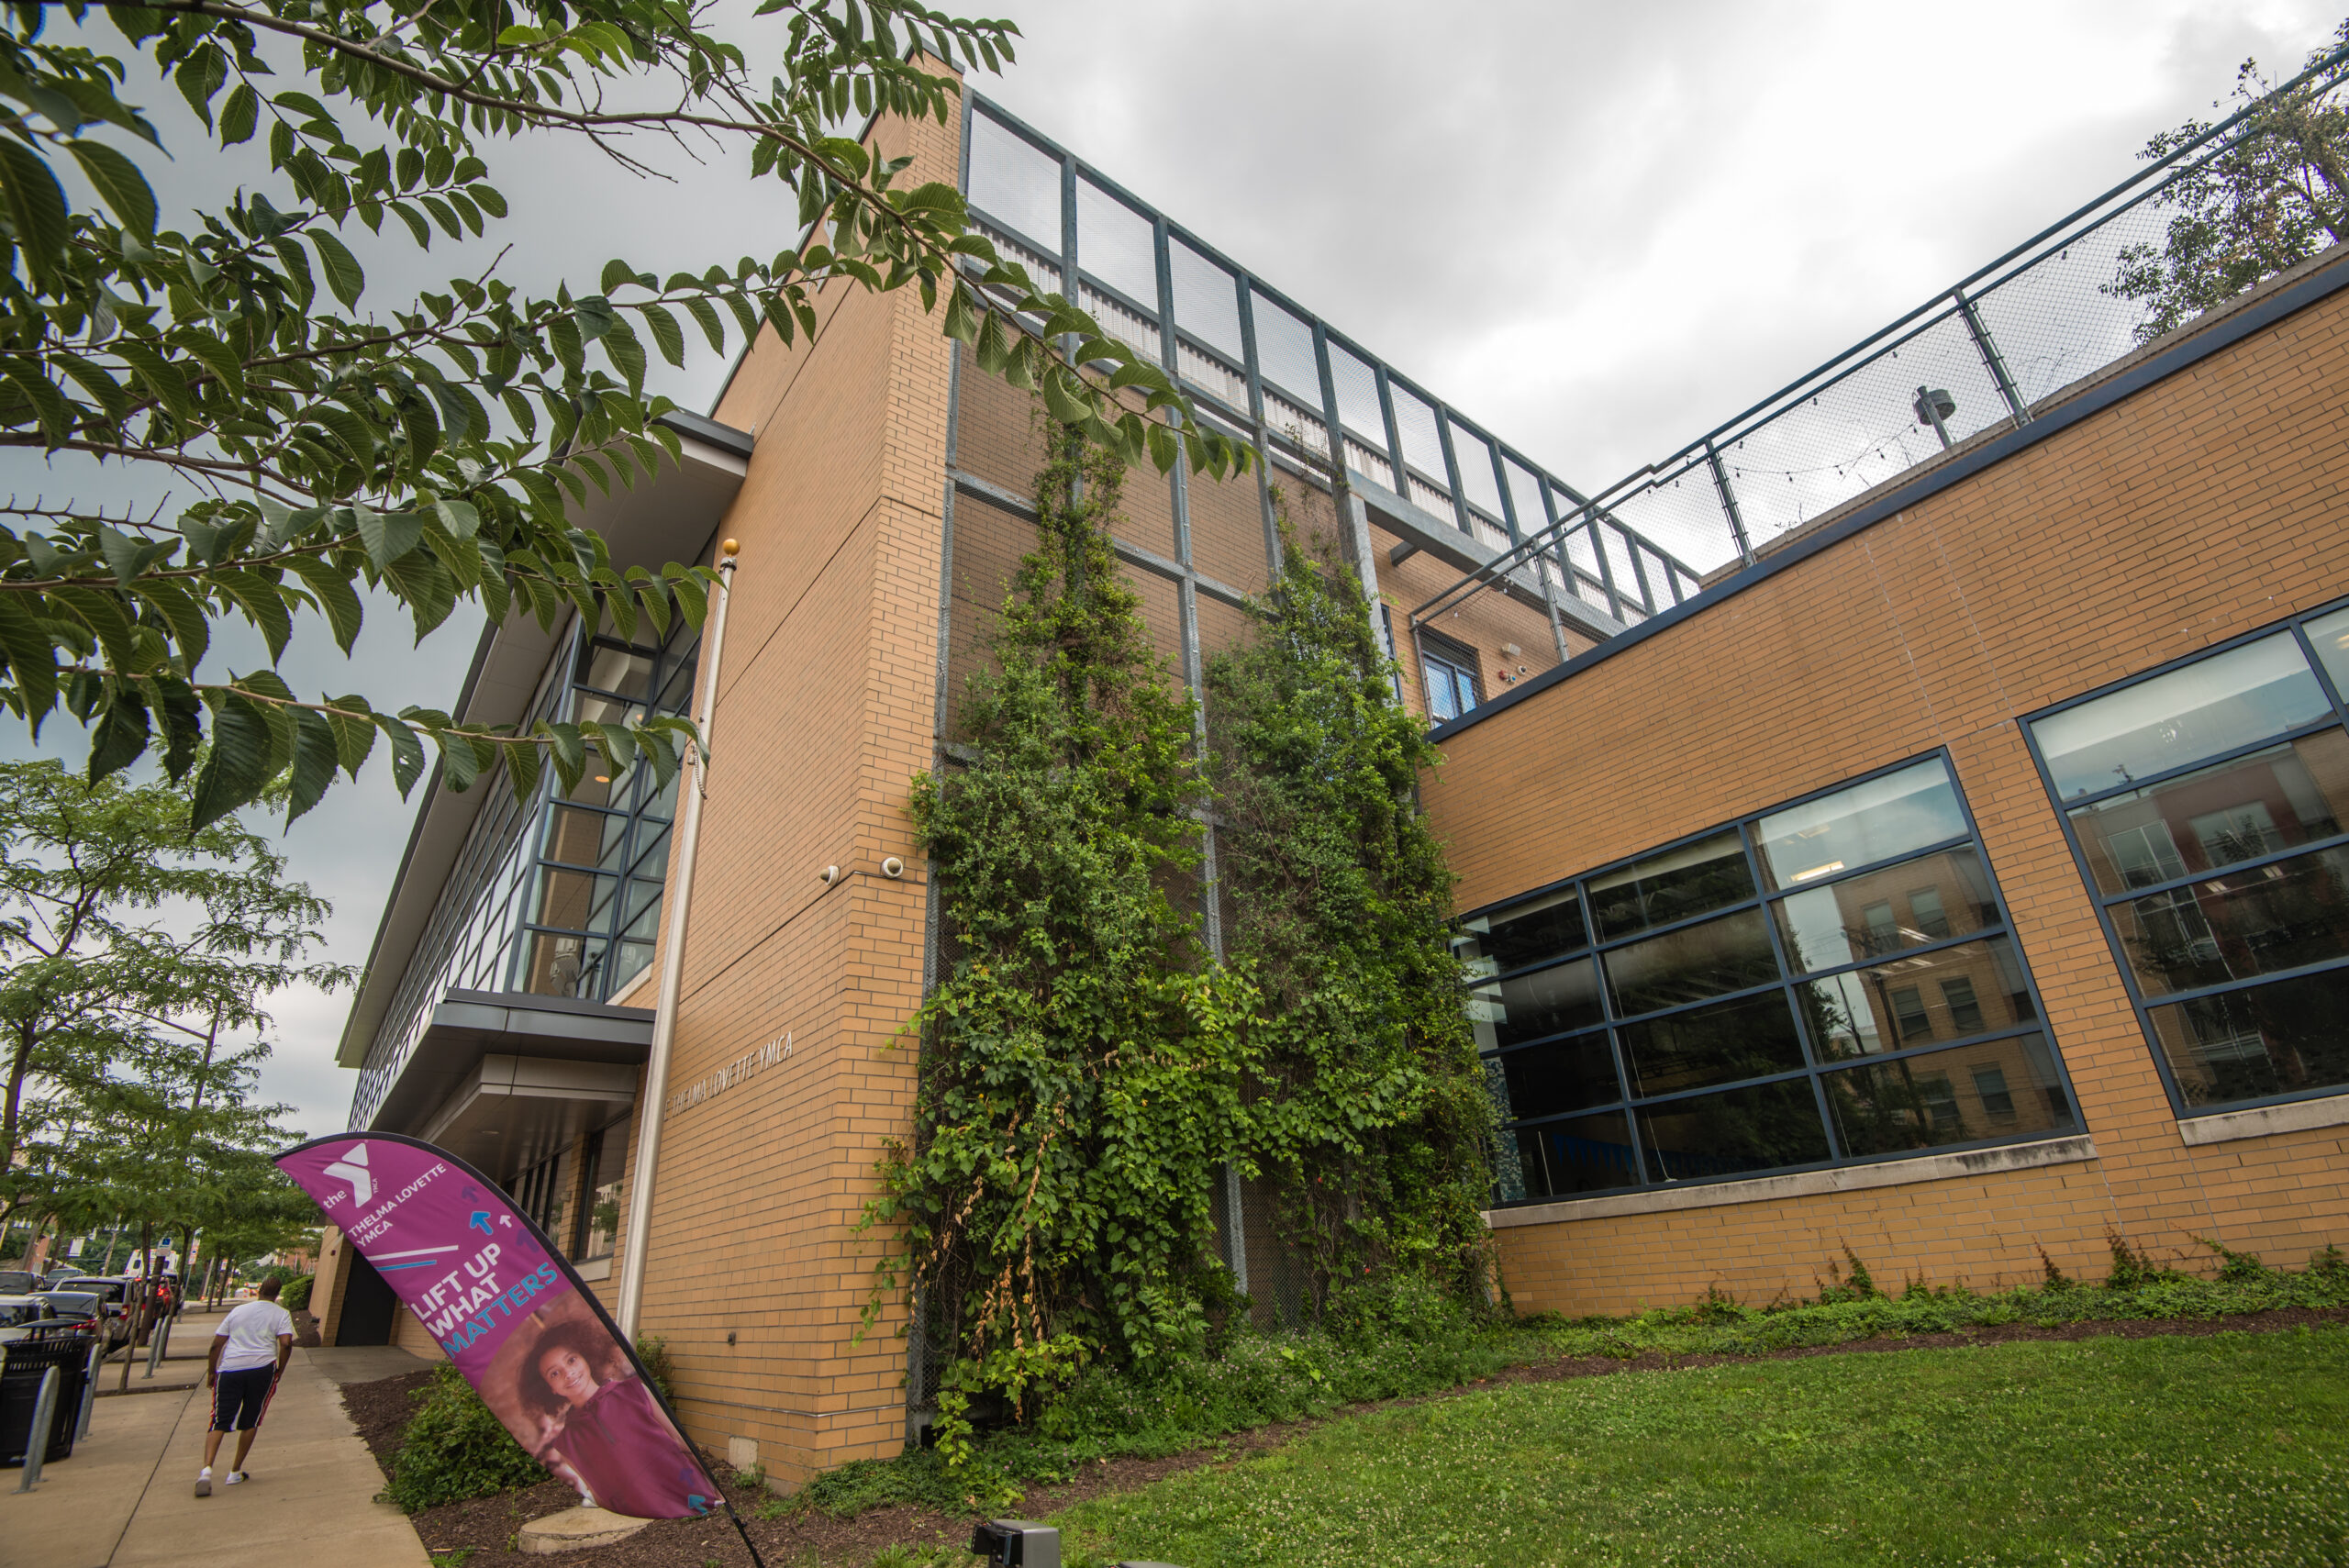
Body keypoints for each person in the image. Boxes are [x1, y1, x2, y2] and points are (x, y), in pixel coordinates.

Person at [521, 1320, 707, 1518]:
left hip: (689, 1495)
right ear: (551, 1388)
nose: (568, 1373)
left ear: (585, 1356)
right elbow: (598, 1493)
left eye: (571, 1360)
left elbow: (680, 1442)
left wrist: (713, 1488)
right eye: (555, 1373)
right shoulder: (566, 1442)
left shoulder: (634, 1391)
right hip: (640, 1519)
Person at [196, 1274, 294, 1496]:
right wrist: (280, 1369)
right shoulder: (281, 1314)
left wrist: (212, 1372)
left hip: (230, 1369)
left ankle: (206, 1471)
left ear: (259, 1290)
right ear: (278, 1293)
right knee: (251, 1419)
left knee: (219, 1420)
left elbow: (216, 1345)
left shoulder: (238, 1311)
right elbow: (286, 1343)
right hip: (262, 1369)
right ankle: (234, 1471)